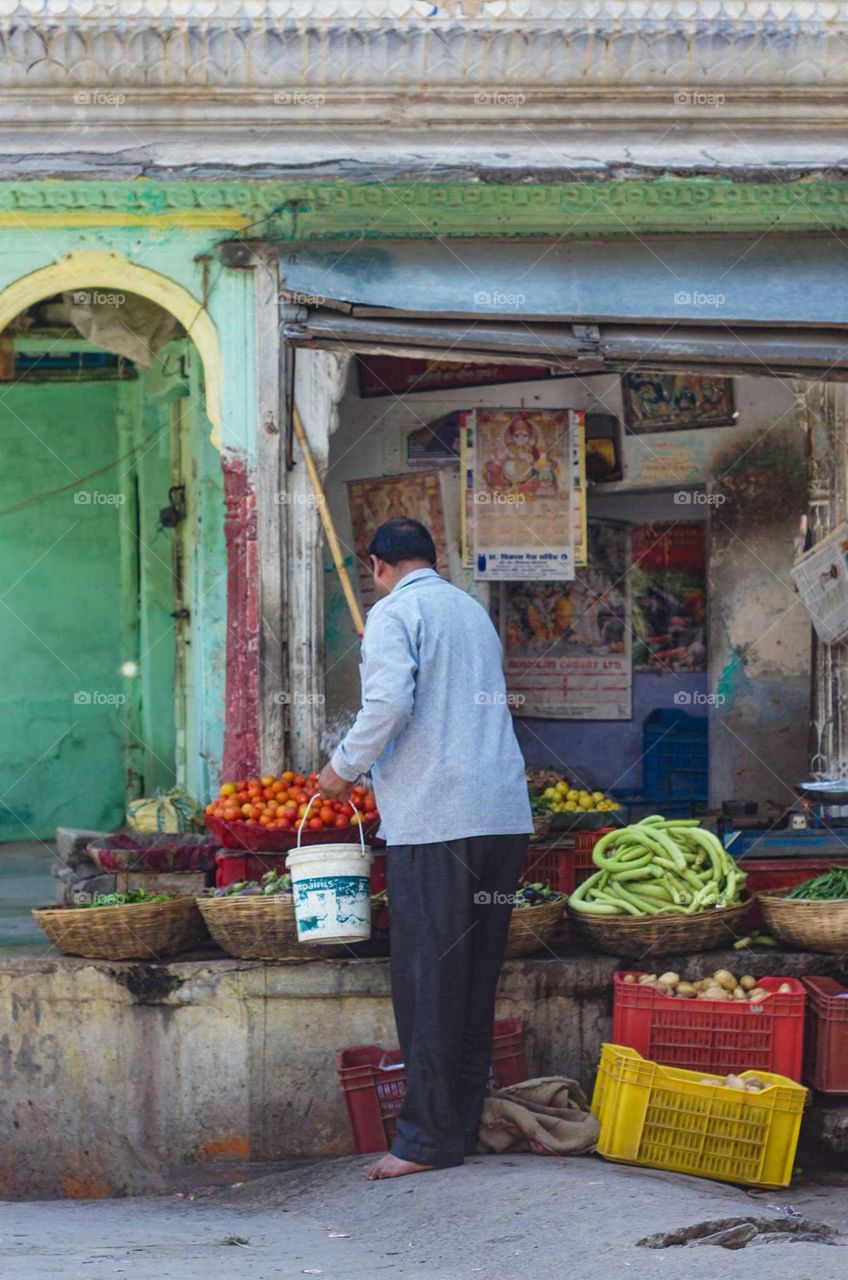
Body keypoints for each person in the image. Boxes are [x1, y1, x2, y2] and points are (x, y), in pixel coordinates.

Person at [318, 517, 532, 1181]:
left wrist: (342, 768)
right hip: (500, 817)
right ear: (430, 559)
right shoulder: (470, 610)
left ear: (379, 566)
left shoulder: (392, 612)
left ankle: (424, 1141)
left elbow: (387, 703)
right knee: (472, 977)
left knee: (428, 981)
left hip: (437, 821)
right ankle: (457, 1127)